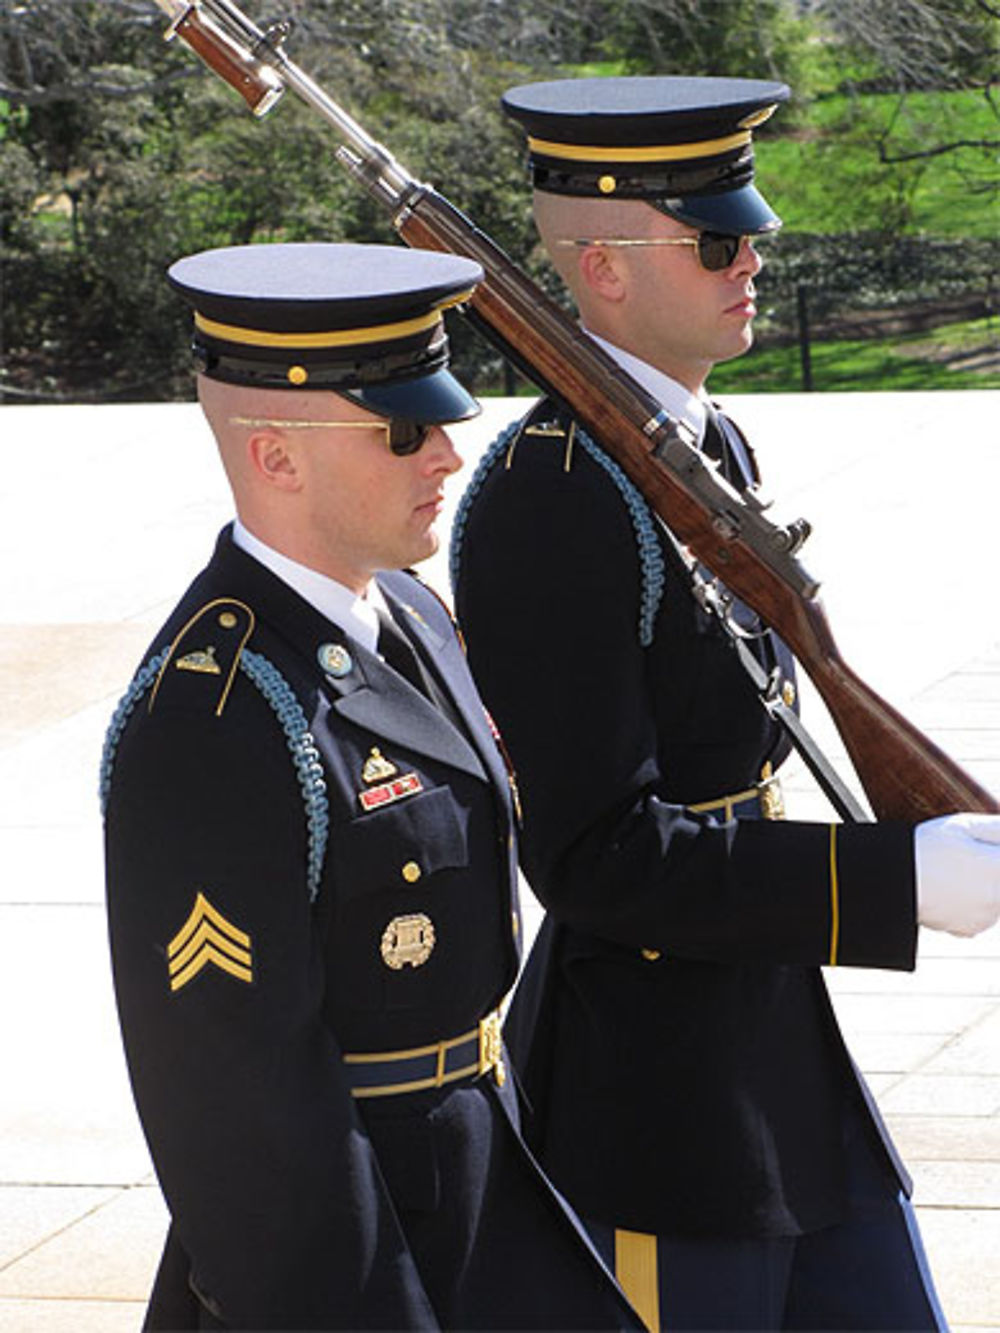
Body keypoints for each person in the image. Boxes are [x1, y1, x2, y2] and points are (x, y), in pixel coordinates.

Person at [450, 77, 1000, 1331]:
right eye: (714, 240)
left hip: (771, 1052)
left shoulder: (698, 449)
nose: (750, 258)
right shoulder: (555, 499)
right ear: (598, 267)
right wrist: (894, 881)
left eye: (748, 229)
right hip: (656, 1110)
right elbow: (596, 857)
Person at [101, 240, 642, 1331]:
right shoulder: (216, 716)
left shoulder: (413, 618)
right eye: (402, 429)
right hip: (354, 1256)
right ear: (276, 456)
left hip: (484, 1180)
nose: (447, 452)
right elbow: (240, 1115)